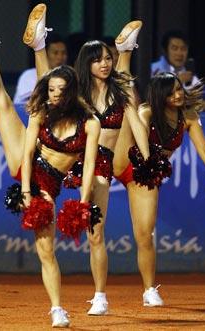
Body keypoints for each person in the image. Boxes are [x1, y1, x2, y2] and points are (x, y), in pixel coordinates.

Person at [0, 7, 100, 327]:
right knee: (1, 103)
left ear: (72, 92)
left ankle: (56, 308)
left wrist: (83, 202)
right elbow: (28, 151)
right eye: (51, 90)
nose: (54, 95)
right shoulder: (42, 110)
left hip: (53, 181)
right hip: (29, 167)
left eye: (60, 90)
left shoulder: (90, 123)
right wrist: (27, 191)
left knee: (46, 250)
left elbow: (89, 168)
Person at [22, 4, 150, 315]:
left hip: (99, 159)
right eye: (99, 59)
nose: (104, 64)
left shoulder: (119, 91)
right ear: (87, 64)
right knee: (47, 88)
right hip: (62, 158)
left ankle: (100, 295)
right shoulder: (75, 93)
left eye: (109, 58)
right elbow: (51, 88)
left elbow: (133, 120)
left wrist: (148, 157)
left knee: (95, 232)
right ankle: (38, 44)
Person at [114, 71, 205, 306]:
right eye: (172, 91)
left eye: (180, 89)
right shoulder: (147, 112)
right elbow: (141, 142)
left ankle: (149, 290)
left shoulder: (188, 116)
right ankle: (124, 61)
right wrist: (147, 158)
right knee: (129, 112)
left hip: (147, 176)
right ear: (161, 94)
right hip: (128, 160)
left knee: (145, 234)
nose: (178, 94)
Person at [14, 33, 68, 103]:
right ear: (45, 54)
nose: (60, 57)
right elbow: (36, 101)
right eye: (55, 53)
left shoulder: (69, 77)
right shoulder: (29, 75)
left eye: (63, 53)